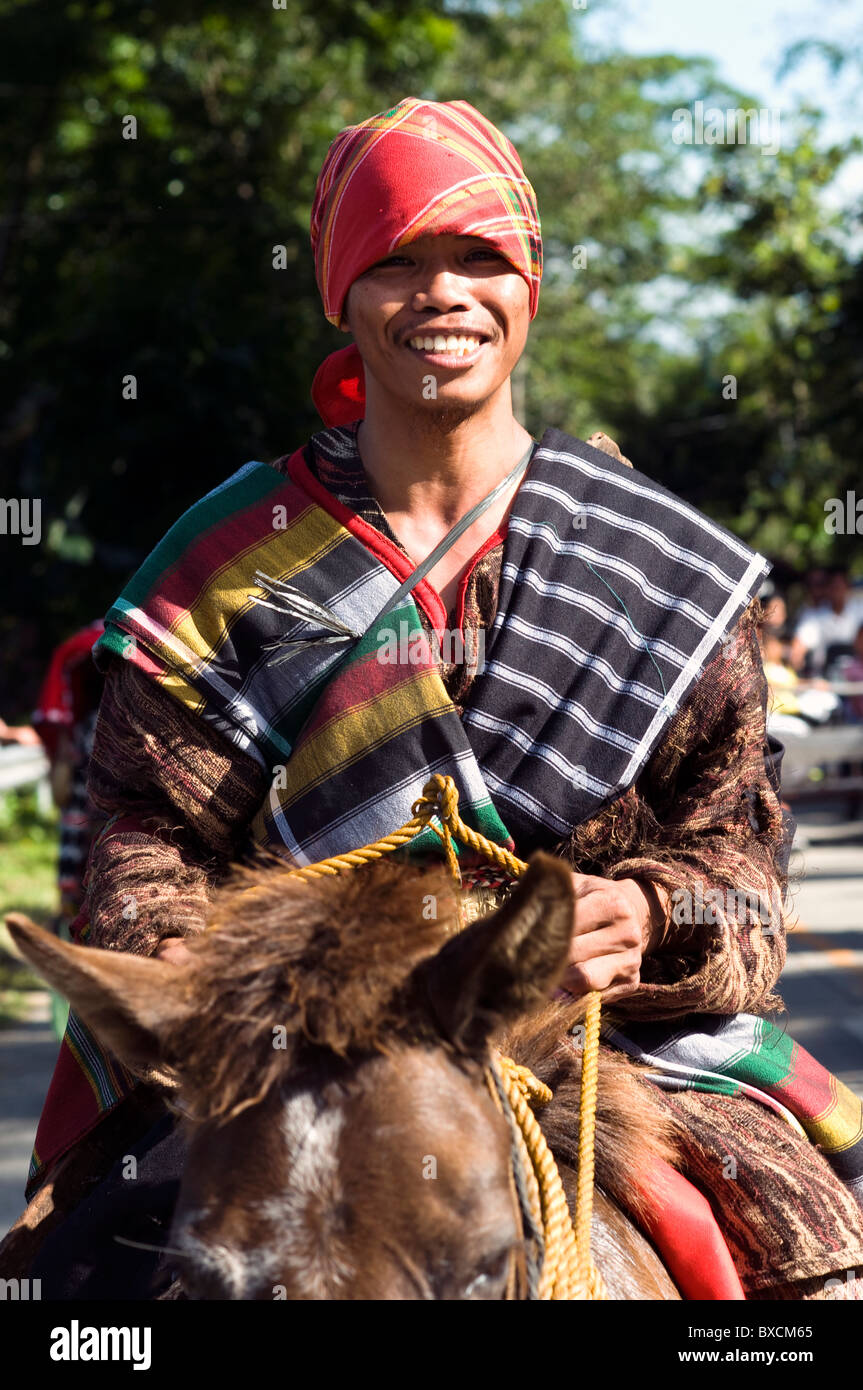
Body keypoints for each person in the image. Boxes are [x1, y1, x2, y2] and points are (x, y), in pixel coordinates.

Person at [5, 97, 863, 1302]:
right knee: (68, 1286)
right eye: (396, 262)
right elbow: (141, 836)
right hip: (277, 1052)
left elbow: (740, 867)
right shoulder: (222, 563)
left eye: (478, 258)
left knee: (805, 1269)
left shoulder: (660, 569)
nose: (442, 294)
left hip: (605, 1049)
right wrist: (216, 981)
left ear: (529, 285)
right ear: (341, 296)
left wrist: (647, 908)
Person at [790, 566, 863, 677]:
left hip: (857, 681)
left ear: (847, 587)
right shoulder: (814, 616)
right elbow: (798, 649)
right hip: (824, 682)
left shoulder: (859, 610)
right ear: (828, 588)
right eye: (834, 587)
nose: (837, 591)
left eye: (840, 586)